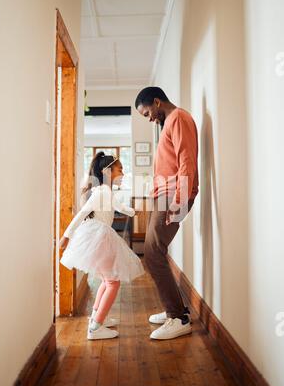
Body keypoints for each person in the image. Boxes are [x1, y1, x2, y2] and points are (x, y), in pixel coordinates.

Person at [59, 152, 145, 340]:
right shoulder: (103, 191)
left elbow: (120, 207)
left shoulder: (104, 191)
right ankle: (96, 327)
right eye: (120, 169)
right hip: (100, 236)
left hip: (99, 235)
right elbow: (82, 213)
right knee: (113, 281)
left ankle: (97, 319)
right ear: (107, 171)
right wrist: (66, 236)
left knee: (108, 281)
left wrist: (133, 211)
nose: (123, 173)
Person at [135, 87, 199, 340]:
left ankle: (178, 317)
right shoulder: (169, 122)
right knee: (154, 252)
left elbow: (187, 161)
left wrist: (179, 202)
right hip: (162, 195)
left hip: (173, 195)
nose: (150, 118)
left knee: (152, 252)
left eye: (148, 113)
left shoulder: (179, 118)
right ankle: (175, 309)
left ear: (157, 102)